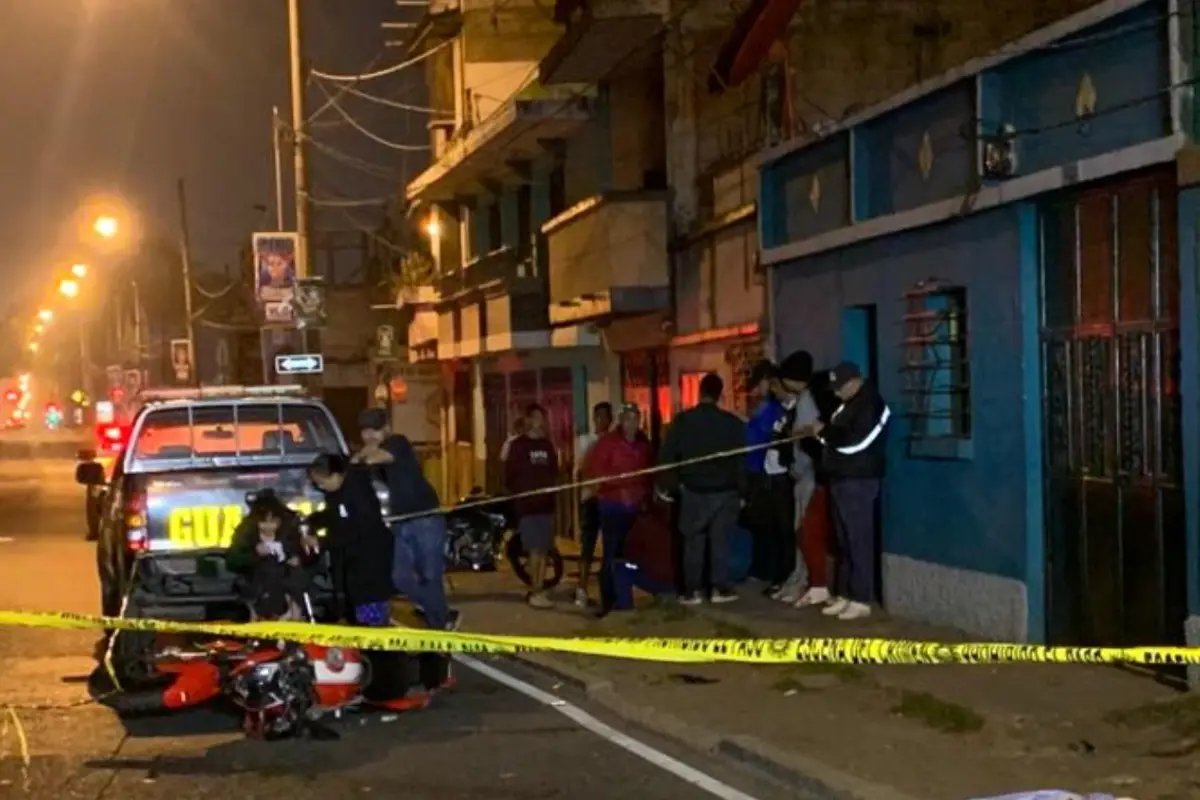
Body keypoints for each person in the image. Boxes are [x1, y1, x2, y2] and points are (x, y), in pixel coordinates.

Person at [797, 361, 890, 621]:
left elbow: (856, 442)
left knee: (858, 538)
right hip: (840, 478)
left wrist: (823, 433)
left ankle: (862, 598)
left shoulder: (871, 405)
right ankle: (846, 593)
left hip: (858, 480)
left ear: (854, 381)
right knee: (844, 539)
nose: (835, 393)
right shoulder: (848, 404)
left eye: (839, 387)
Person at [354, 408, 459, 631]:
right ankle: (440, 613)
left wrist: (362, 453)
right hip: (401, 521)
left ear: (386, 428)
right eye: (365, 431)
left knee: (430, 574)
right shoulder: (373, 452)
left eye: (375, 430)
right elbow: (360, 464)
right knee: (400, 578)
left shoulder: (397, 442)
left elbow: (376, 457)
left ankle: (439, 622)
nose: (370, 435)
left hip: (426, 517)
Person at [657, 373, 746, 605]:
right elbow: (740, 462)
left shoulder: (683, 421)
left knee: (693, 543)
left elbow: (667, 455)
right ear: (720, 395)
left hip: (693, 491)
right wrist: (743, 492)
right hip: (725, 492)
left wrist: (671, 486)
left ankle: (692, 591)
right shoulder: (733, 424)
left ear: (700, 392)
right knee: (720, 542)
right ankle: (719, 588)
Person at [306, 452, 396, 627]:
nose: (321, 487)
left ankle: (376, 641)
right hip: (354, 558)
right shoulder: (336, 493)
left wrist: (323, 542)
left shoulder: (358, 491)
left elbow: (357, 527)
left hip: (371, 556)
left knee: (371, 602)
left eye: (322, 482)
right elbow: (334, 516)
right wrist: (313, 520)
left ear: (336, 475)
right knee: (356, 604)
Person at [583, 403, 652, 616]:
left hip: (635, 508)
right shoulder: (607, 444)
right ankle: (609, 601)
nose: (631, 423)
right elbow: (596, 472)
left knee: (631, 555)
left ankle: (625, 598)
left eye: (635, 418)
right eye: (627, 418)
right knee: (612, 555)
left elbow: (648, 473)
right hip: (612, 506)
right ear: (621, 420)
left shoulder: (643, 445)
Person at [504, 404, 560, 609]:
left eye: (542, 418)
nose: (540, 422)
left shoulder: (547, 445)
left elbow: (554, 471)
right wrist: (521, 494)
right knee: (534, 549)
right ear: (528, 420)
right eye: (536, 418)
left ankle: (539, 587)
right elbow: (509, 476)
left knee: (544, 549)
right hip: (528, 506)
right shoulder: (518, 446)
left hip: (546, 505)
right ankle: (535, 589)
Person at [225, 489, 308, 621]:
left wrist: (298, 559)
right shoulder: (246, 533)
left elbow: (308, 555)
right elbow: (233, 561)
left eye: (273, 521)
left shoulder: (290, 531)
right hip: (256, 586)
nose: (268, 526)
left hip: (288, 587)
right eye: (263, 522)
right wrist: (255, 554)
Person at [574, 402, 613, 607]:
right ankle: (581, 589)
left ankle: (608, 589)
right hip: (590, 499)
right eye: (597, 416)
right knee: (587, 547)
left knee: (610, 547)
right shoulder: (585, 440)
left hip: (609, 500)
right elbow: (581, 470)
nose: (600, 421)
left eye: (604, 416)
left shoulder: (615, 441)